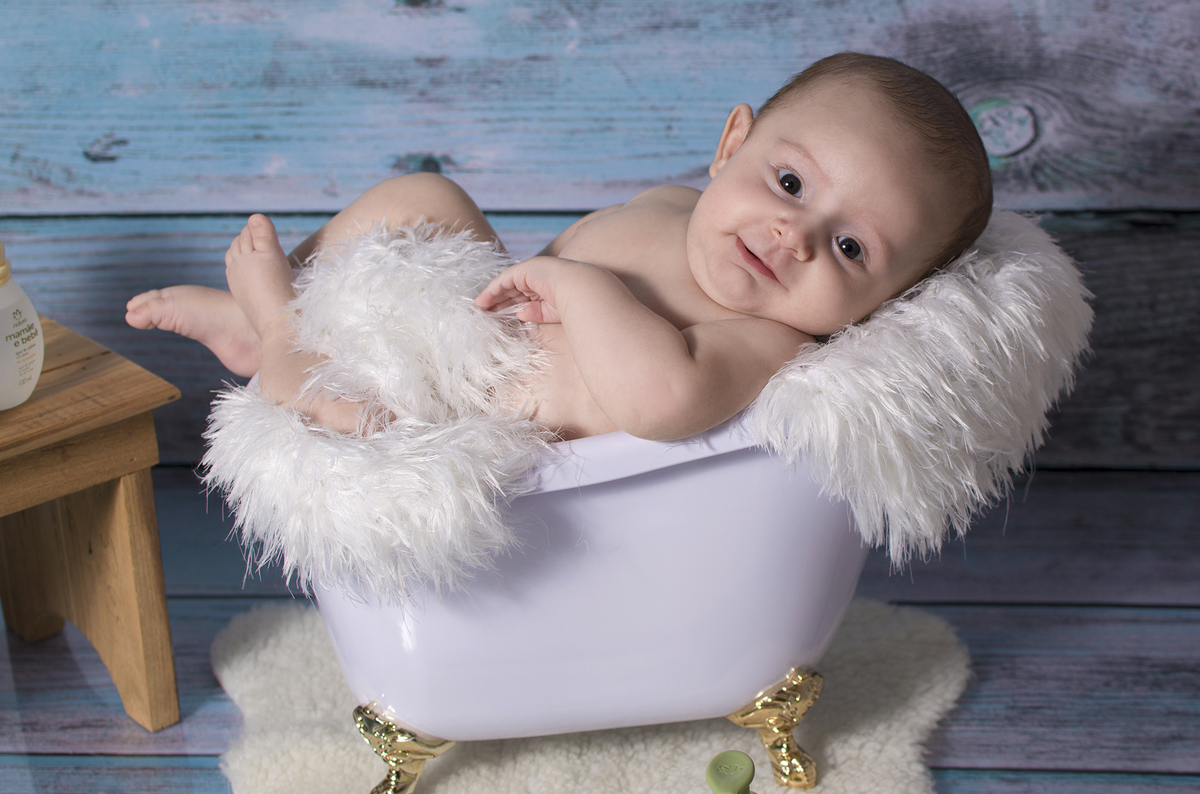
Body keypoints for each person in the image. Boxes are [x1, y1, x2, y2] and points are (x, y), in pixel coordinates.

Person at [126, 52, 991, 442]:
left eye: (848, 249)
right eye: (790, 184)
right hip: (463, 324)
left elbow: (661, 400)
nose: (790, 237)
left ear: (885, 307)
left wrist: (580, 290)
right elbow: (518, 268)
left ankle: (278, 341)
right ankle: (294, 303)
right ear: (733, 144)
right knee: (423, 197)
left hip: (465, 423)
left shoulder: (768, 340)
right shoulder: (673, 205)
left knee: (372, 433)